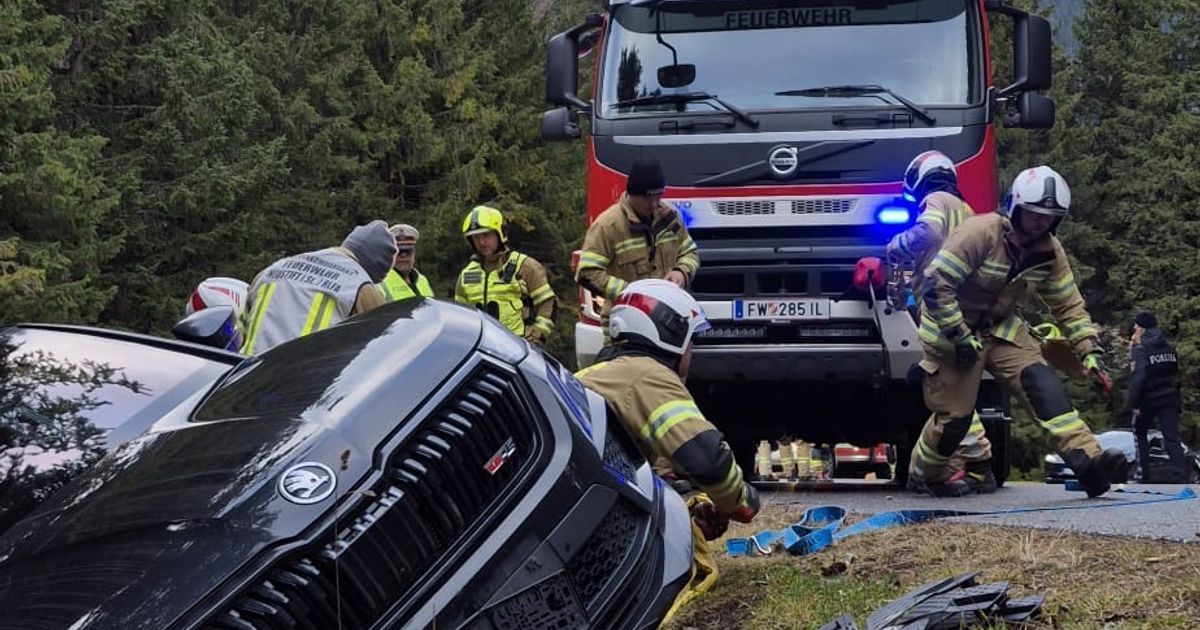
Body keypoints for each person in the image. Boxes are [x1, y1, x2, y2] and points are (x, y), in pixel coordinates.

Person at [910, 165, 1127, 497]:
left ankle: (1089, 464)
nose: (1040, 223)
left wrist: (1090, 351)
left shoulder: (1049, 252)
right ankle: (926, 473)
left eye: (1049, 217)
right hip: (948, 327)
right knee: (954, 420)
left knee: (1043, 385)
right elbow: (936, 284)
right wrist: (958, 334)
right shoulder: (980, 232)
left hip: (1000, 328)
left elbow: (1068, 304)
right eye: (1034, 214)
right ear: (1016, 207)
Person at [575, 279, 759, 540]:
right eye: (691, 340)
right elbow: (709, 461)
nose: (691, 351)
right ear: (672, 334)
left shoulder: (594, 374)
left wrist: (684, 513)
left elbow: (635, 470)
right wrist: (741, 500)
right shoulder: (649, 376)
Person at [886, 151, 995, 493]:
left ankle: (964, 465)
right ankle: (978, 463)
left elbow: (928, 234)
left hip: (938, 307)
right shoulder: (965, 209)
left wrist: (896, 245)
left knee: (946, 392)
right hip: (962, 305)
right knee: (958, 391)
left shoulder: (936, 201)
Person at [575, 158, 700, 344]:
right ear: (632, 194)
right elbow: (587, 273)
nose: (654, 204)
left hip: (668, 325)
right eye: (648, 198)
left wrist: (680, 272)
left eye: (658, 196)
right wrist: (631, 293)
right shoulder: (608, 226)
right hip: (626, 326)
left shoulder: (669, 219)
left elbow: (690, 253)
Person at [241, 220, 396, 355]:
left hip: (247, 373)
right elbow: (383, 346)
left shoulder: (272, 270)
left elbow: (240, 331)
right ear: (373, 268)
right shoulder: (361, 285)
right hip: (303, 376)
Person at [454, 205, 556, 345]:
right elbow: (461, 316)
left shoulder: (525, 267)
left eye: (486, 235)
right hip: (483, 348)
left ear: (499, 233)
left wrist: (536, 337)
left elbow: (548, 303)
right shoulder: (466, 275)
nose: (482, 242)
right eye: (476, 237)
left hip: (519, 348)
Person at [1127, 311, 1187, 481]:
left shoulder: (1141, 348)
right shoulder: (1169, 347)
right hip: (1170, 396)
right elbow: (1175, 372)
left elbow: (1139, 377)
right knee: (1171, 436)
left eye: (1136, 325)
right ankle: (1180, 475)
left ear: (1142, 328)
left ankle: (1143, 474)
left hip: (1149, 399)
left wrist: (1134, 404)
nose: (1134, 328)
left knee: (1140, 432)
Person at [379, 223, 434, 301]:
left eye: (407, 251)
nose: (403, 256)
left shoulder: (423, 280)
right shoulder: (380, 283)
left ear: (414, 253)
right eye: (399, 252)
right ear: (391, 253)